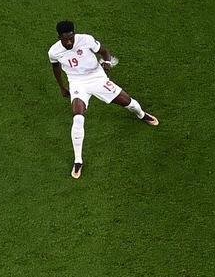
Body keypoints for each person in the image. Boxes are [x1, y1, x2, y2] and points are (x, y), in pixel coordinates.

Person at [47, 20, 158, 179]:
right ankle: (78, 160)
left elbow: (104, 52)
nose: (70, 41)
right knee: (78, 117)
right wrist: (62, 87)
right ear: (59, 37)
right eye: (66, 39)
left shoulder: (86, 39)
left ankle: (141, 115)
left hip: (97, 78)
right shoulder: (54, 52)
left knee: (127, 102)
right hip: (77, 82)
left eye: (71, 37)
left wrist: (106, 63)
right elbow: (56, 68)